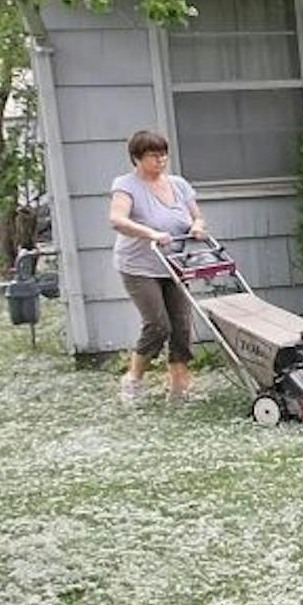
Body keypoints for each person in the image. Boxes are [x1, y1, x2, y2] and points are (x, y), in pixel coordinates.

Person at [107, 129, 209, 404]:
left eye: (164, 155)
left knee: (181, 326)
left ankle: (178, 385)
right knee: (158, 325)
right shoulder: (126, 185)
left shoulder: (179, 184)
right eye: (154, 156)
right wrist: (150, 233)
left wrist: (197, 227)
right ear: (137, 158)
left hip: (174, 264)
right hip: (139, 266)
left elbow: (197, 217)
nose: (161, 160)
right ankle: (133, 379)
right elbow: (117, 219)